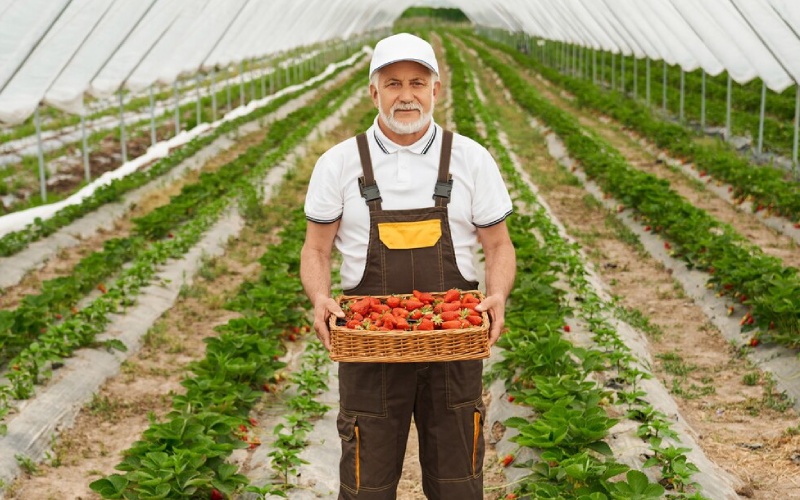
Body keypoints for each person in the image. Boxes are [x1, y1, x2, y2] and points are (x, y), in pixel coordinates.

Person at [300, 32, 516, 499]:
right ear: (373, 92)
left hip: (452, 342)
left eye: (417, 82)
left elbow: (499, 245)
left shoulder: (471, 160)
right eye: (392, 83)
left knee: (458, 480)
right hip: (370, 345)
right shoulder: (338, 164)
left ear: (436, 89)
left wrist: (497, 293)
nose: (406, 95)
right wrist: (320, 297)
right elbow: (316, 250)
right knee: (366, 484)